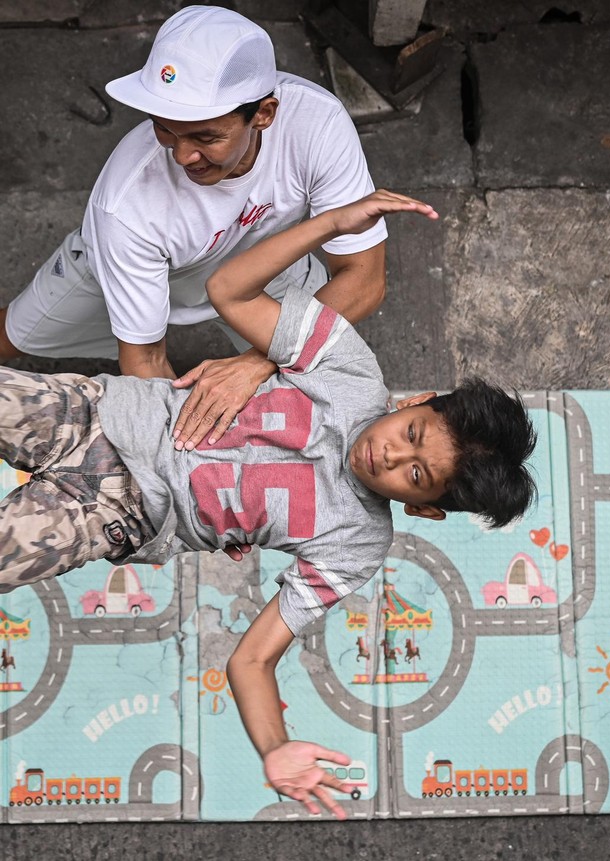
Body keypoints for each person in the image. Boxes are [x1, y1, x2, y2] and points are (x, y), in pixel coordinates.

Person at [0, 192, 537, 818]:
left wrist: (275, 749)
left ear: (425, 509)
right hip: (98, 413)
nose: (391, 457)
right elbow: (229, 288)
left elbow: (252, 659)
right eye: (412, 434)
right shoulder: (351, 369)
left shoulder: (356, 546)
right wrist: (331, 226)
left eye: (416, 475)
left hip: (112, 511)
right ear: (417, 401)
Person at [0, 5, 391, 452]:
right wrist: (184, 449)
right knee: (15, 334)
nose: (183, 156)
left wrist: (256, 362)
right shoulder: (126, 208)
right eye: (166, 130)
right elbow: (145, 361)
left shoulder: (318, 124)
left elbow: (365, 278)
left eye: (205, 138)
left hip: (268, 265)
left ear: (264, 113)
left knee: (330, 381)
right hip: (118, 265)